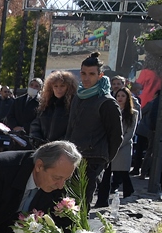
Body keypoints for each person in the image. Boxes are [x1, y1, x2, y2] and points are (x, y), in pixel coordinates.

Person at [64, 53, 122, 207]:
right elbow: (71, 127)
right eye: (83, 73)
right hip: (72, 155)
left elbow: (116, 136)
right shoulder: (78, 96)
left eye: (91, 74)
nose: (86, 78)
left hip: (93, 157)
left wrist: (105, 160)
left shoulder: (107, 102)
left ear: (100, 75)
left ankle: (81, 230)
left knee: (83, 201)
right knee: (67, 200)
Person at [104, 87, 138, 200]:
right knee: (108, 171)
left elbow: (130, 132)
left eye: (123, 96)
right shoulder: (113, 110)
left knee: (123, 171)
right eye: (118, 96)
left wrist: (119, 143)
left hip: (124, 145)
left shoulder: (133, 113)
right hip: (111, 144)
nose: (120, 98)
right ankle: (105, 193)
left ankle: (129, 191)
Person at [31, 71, 74, 145]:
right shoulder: (45, 104)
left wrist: (57, 145)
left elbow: (73, 130)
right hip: (42, 149)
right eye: (55, 86)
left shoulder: (73, 105)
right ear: (51, 87)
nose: (58, 89)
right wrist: (36, 140)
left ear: (69, 87)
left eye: (62, 86)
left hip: (63, 150)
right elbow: (36, 125)